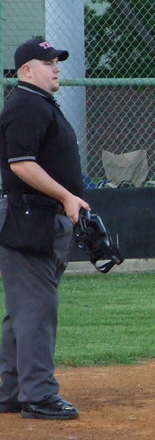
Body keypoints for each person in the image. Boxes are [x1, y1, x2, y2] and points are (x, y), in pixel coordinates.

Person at [0, 38, 90, 420]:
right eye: (47, 61)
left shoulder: (37, 104)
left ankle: (10, 389)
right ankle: (37, 394)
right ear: (26, 71)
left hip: (36, 218)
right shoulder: (25, 105)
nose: (56, 67)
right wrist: (67, 197)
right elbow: (22, 164)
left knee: (25, 309)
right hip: (27, 219)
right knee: (36, 305)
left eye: (57, 61)